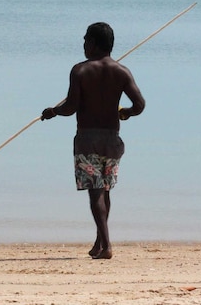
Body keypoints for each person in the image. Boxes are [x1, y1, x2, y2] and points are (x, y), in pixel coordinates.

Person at [41, 22, 145, 259]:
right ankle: (99, 242)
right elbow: (139, 105)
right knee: (105, 190)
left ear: (95, 44)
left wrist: (53, 112)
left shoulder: (80, 70)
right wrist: (125, 112)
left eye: (86, 40)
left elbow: (71, 107)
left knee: (96, 192)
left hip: (88, 138)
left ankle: (106, 245)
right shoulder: (122, 71)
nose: (84, 44)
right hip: (111, 139)